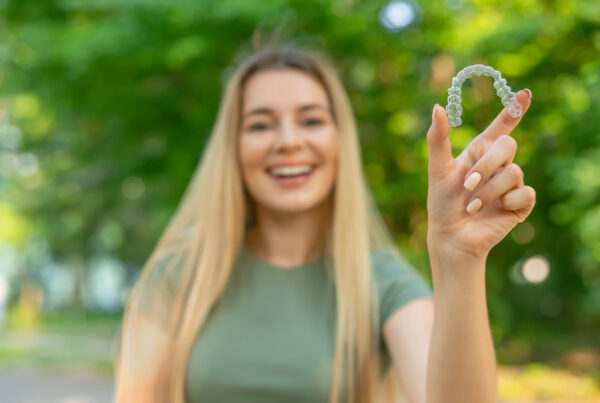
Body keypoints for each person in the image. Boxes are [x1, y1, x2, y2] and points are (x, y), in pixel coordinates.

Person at [115, 42, 535, 403]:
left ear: (340, 139)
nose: (288, 141)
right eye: (261, 124)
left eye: (311, 120)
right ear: (233, 148)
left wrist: (458, 256)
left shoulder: (382, 283)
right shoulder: (178, 275)